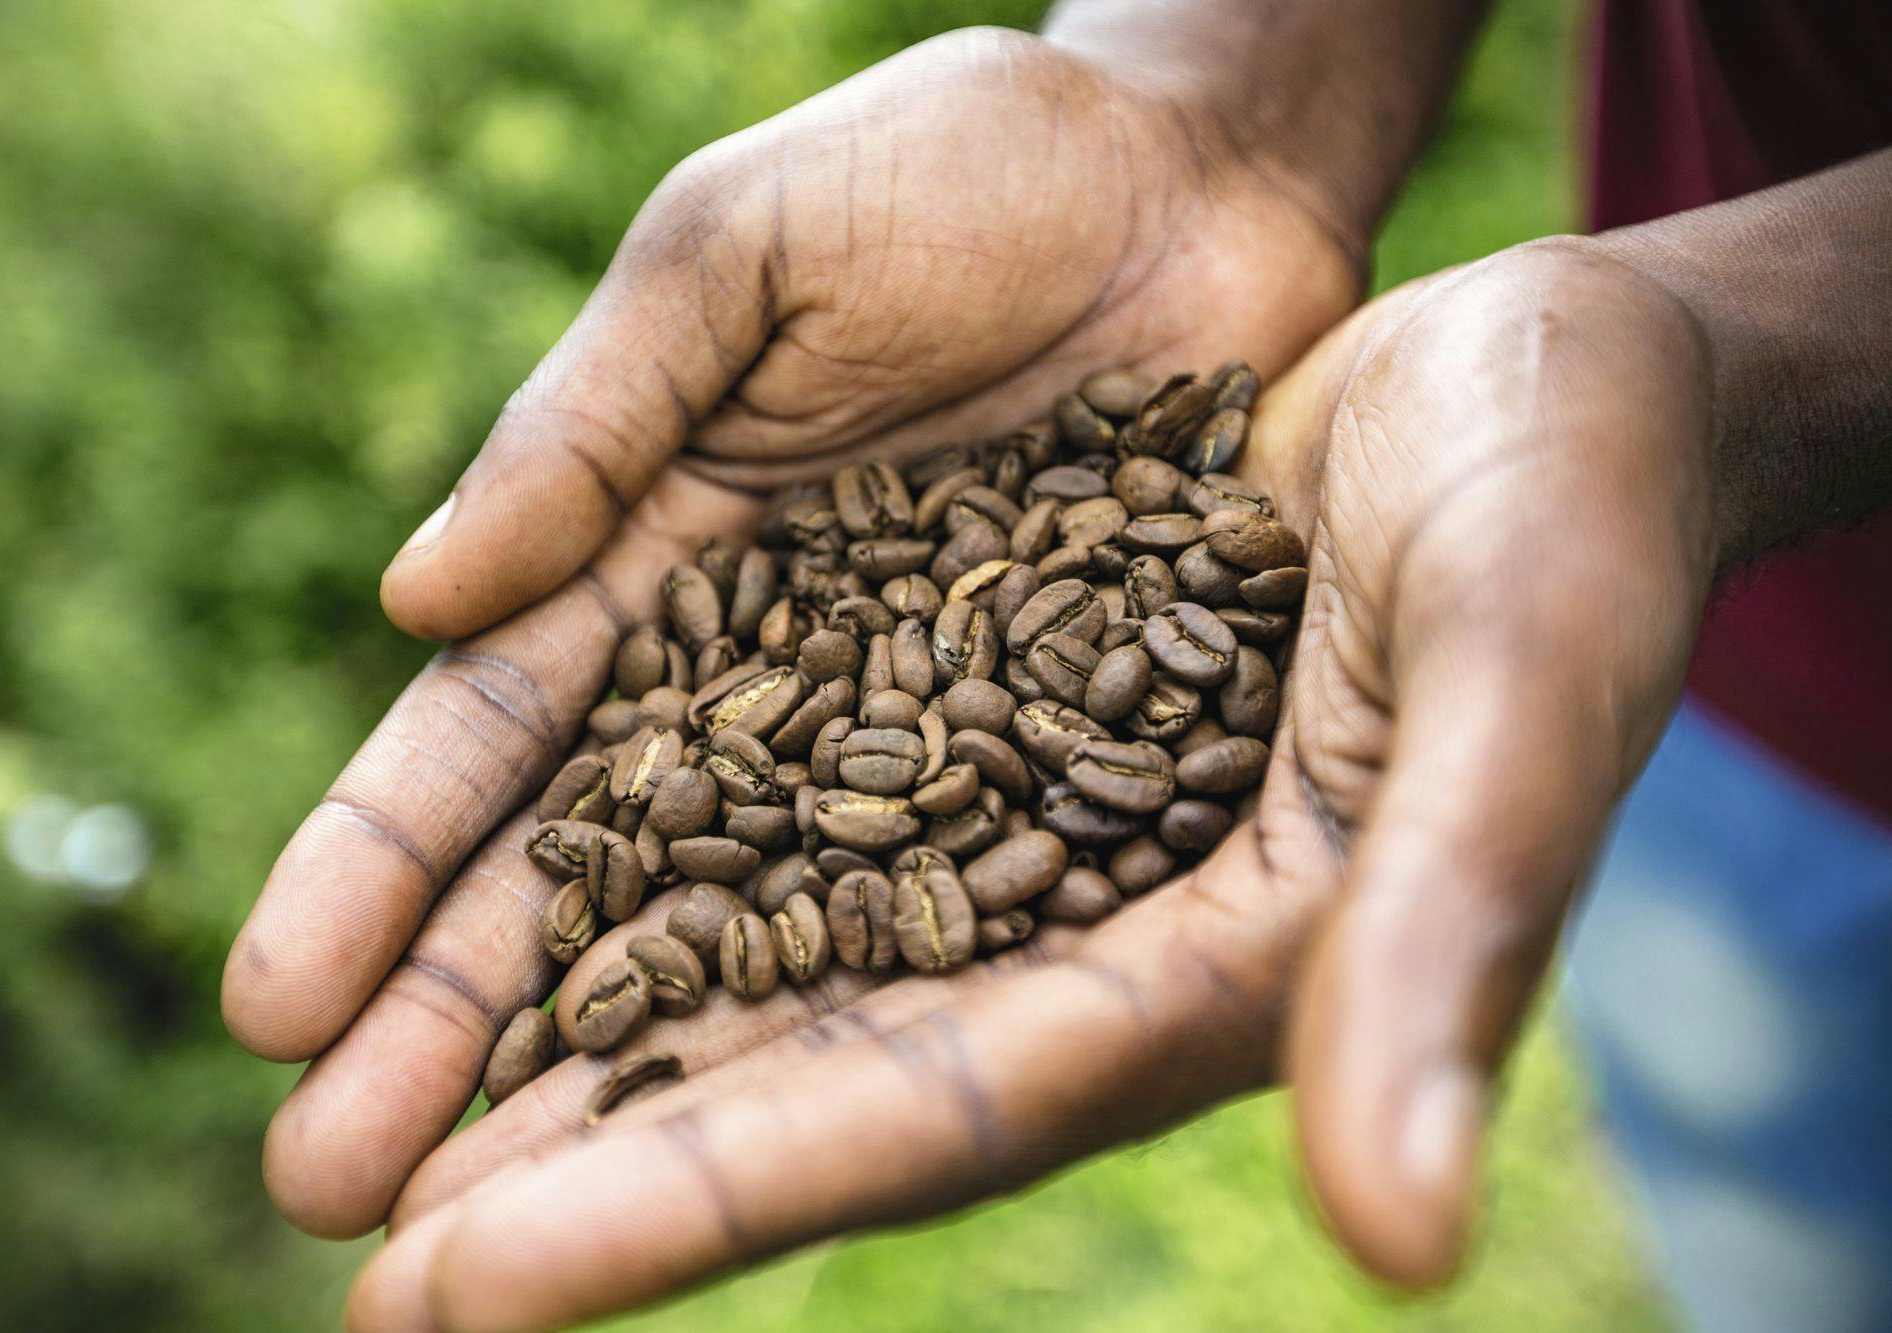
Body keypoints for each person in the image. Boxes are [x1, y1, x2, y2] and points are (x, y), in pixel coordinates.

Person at [219, 1, 1891, 1328]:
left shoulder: (1031, 691)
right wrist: (1220, 90)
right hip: (1743, 689)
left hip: (1665, 547)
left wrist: (1761, 347)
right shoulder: (893, 670)